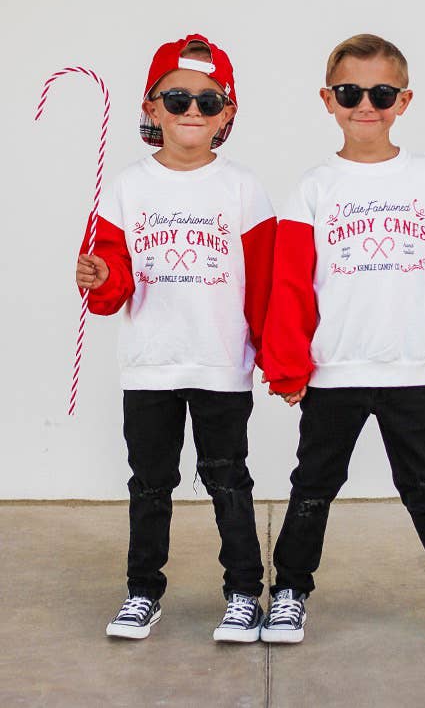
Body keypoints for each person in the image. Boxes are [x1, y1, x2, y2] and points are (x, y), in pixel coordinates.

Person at [260, 33, 425, 651]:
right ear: (328, 99)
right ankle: (289, 593)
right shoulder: (313, 188)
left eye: (380, 93)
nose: (365, 104)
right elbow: (290, 287)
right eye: (350, 92)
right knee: (313, 486)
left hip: (411, 371)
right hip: (334, 371)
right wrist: (288, 368)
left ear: (404, 100)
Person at [76, 34, 276, 642]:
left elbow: (265, 286)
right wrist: (99, 278)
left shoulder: (243, 189)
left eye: (208, 102)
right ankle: (142, 592)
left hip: (220, 363)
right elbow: (107, 287)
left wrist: (280, 362)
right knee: (150, 483)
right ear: (151, 107)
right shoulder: (125, 189)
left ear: (228, 114)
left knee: (229, 478)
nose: (192, 111)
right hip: (151, 367)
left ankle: (244, 592)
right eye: (178, 98)